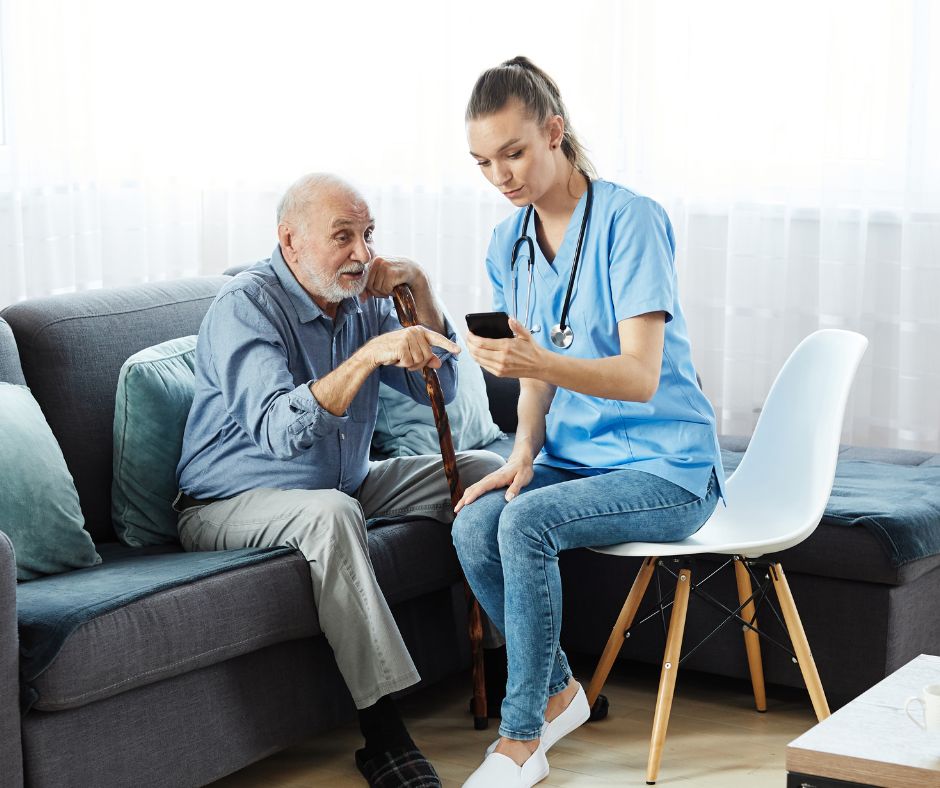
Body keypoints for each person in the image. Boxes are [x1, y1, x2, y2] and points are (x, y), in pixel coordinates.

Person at [174, 173, 504, 788]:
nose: (362, 254)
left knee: (488, 475)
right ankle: (383, 736)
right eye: (343, 237)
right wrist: (370, 355)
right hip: (227, 503)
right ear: (291, 241)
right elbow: (278, 431)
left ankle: (516, 661)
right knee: (331, 514)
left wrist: (419, 288)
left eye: (368, 235)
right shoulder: (246, 307)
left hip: (345, 481)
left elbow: (445, 386)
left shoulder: (362, 296)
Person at [452, 57, 725, 788]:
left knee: (524, 526)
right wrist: (522, 452)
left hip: (666, 466)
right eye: (484, 162)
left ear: (554, 132)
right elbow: (535, 360)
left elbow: (637, 375)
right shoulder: (508, 243)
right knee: (474, 523)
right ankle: (561, 692)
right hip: (578, 458)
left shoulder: (631, 221)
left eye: (514, 152)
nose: (501, 176)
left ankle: (521, 738)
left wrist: (533, 363)